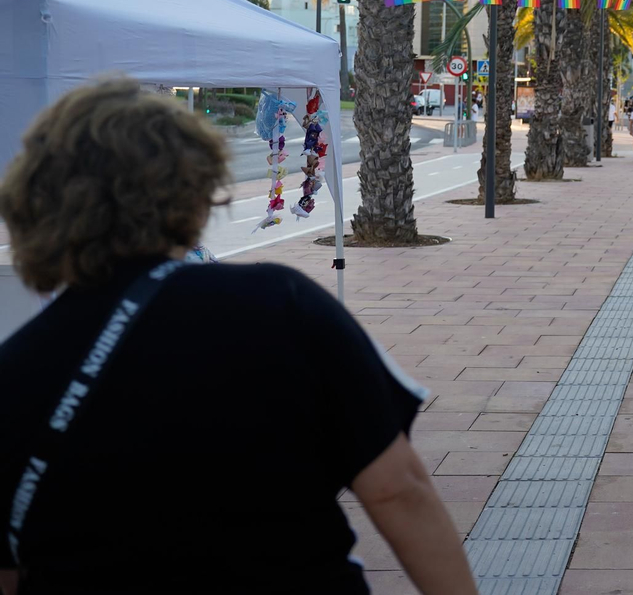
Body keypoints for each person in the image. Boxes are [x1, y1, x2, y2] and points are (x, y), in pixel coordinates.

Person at [0, 78, 475, 595]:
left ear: (35, 202)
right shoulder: (281, 305)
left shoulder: (15, 372)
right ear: (194, 190)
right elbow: (398, 490)